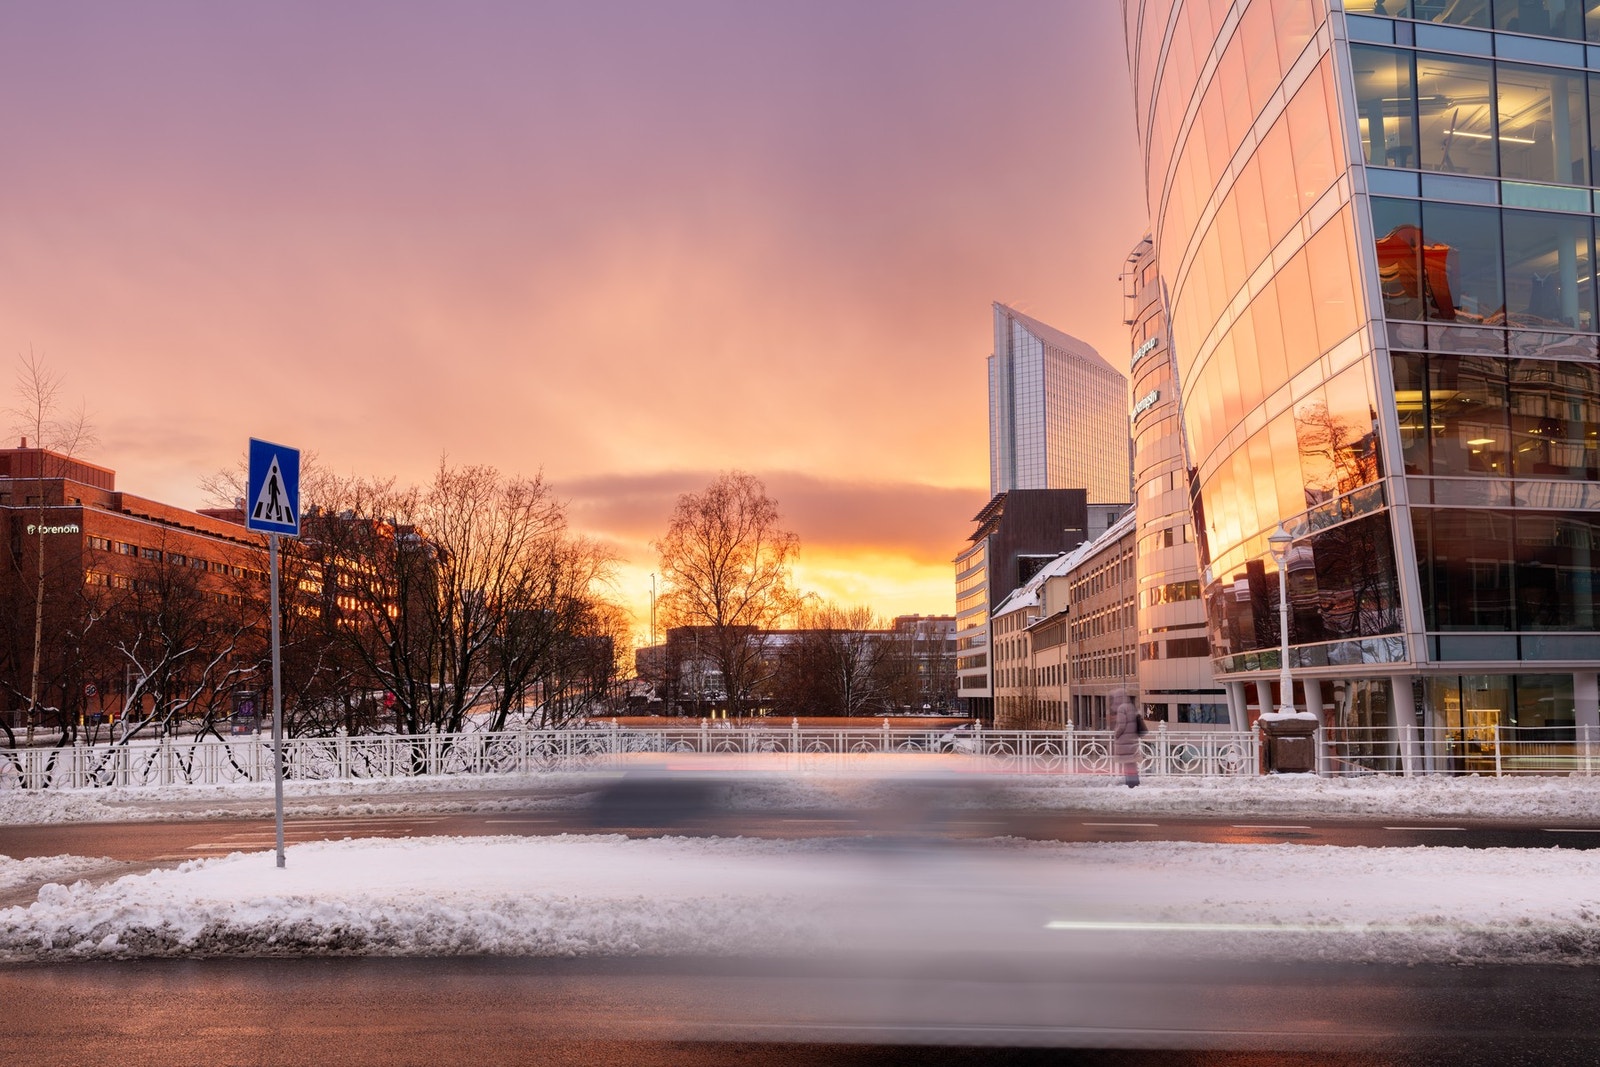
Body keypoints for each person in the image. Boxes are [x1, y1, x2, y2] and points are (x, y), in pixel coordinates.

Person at [1112, 691, 1145, 788]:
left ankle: (1131, 783)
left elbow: (1121, 725)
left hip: (1124, 740)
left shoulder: (1122, 708)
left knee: (1127, 762)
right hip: (1132, 739)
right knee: (1132, 762)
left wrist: (1116, 734)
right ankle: (1134, 781)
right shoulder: (1132, 707)